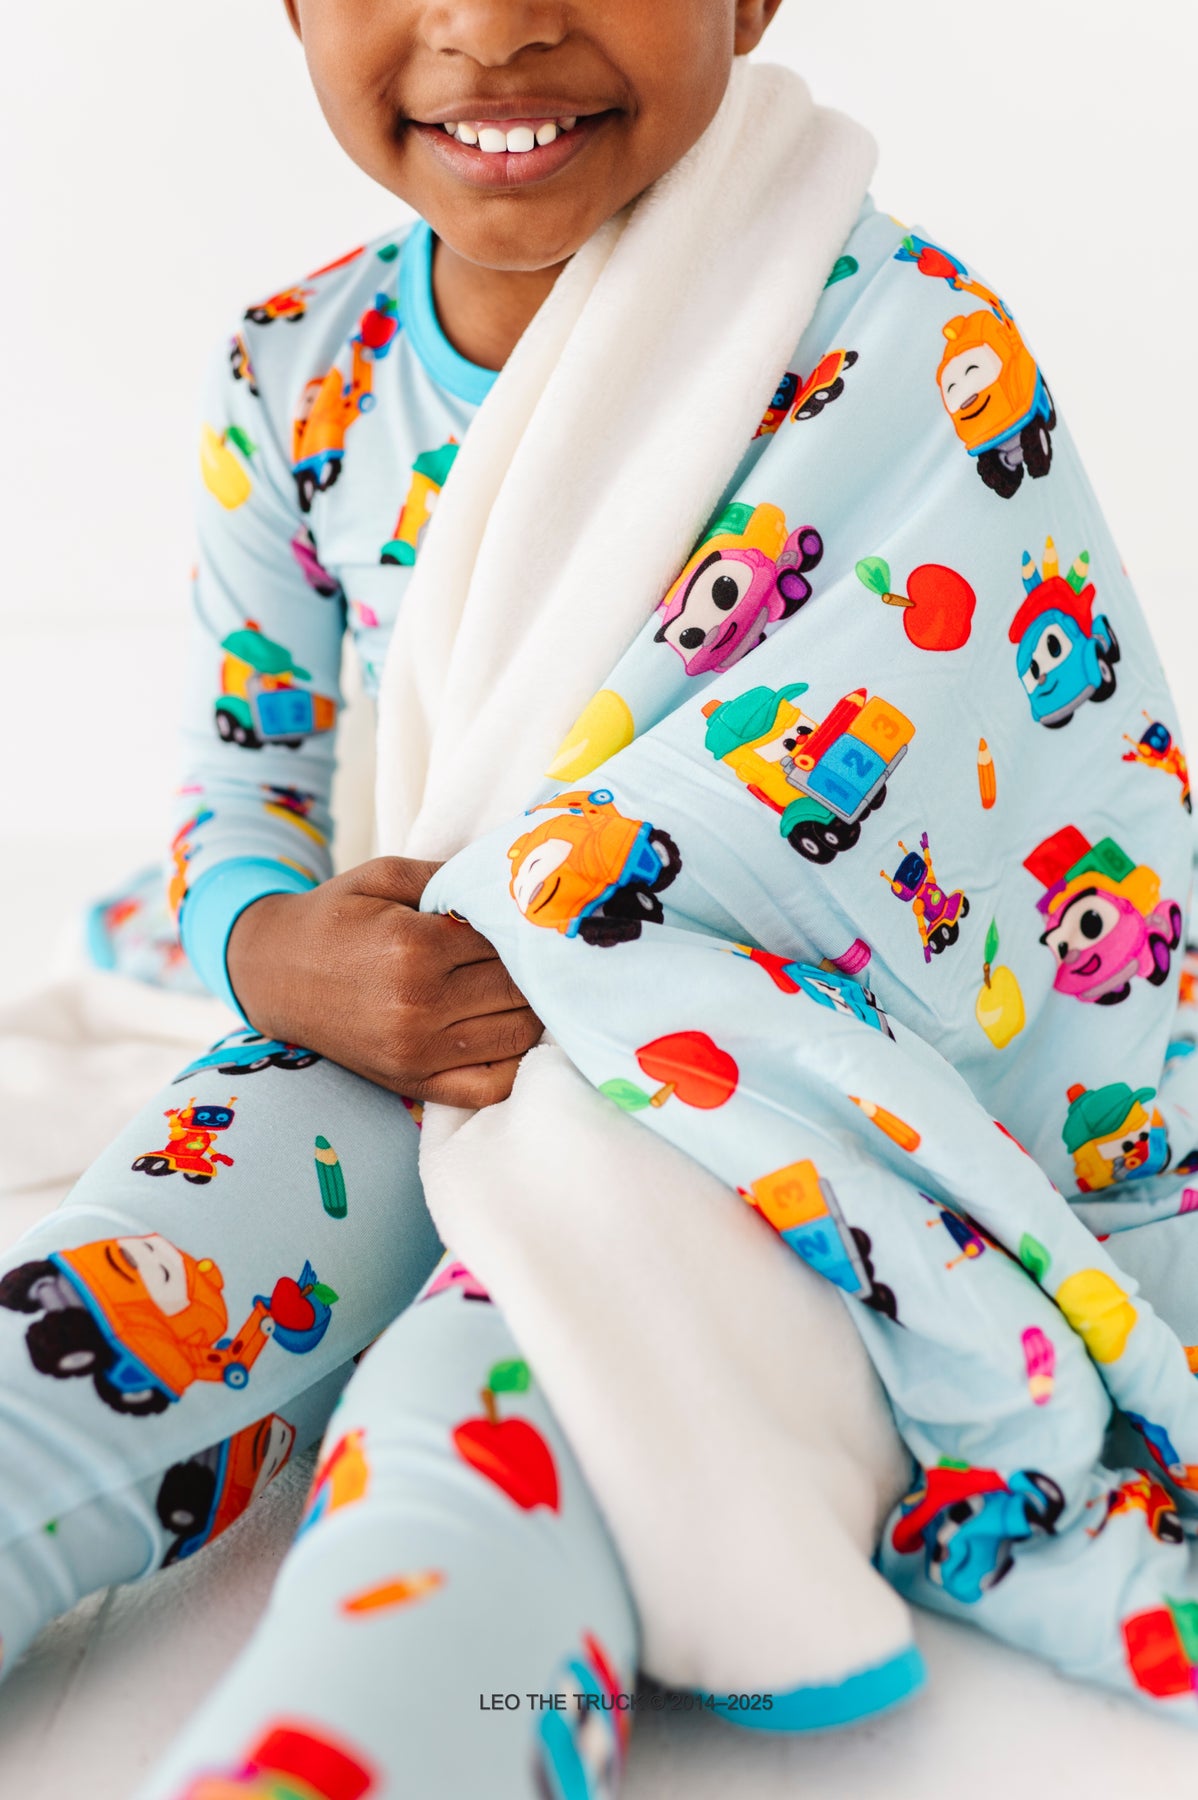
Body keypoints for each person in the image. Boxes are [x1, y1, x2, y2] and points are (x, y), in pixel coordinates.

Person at [6, 2, 1198, 1795]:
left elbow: (1037, 821)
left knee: (480, 1446)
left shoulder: (905, 348)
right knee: (121, 1293)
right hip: (412, 1013)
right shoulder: (295, 371)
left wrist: (602, 945)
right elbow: (240, 788)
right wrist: (274, 951)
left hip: (744, 1097)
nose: (493, 25)